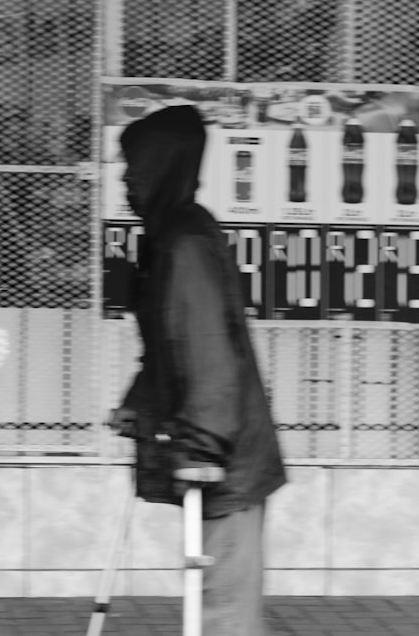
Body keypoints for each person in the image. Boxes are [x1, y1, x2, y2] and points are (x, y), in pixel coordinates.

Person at [110, 104, 287, 635]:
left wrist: (203, 446)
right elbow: (169, 347)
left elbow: (209, 349)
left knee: (223, 614)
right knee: (213, 603)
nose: (125, 179)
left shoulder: (184, 243)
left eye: (134, 166)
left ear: (164, 165)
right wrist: (138, 405)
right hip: (220, 451)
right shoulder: (170, 236)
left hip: (228, 460)